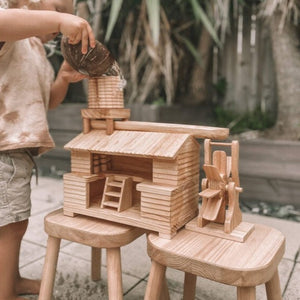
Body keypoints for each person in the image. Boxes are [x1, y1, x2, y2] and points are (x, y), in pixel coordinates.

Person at [0, 0, 95, 299]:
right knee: (11, 226)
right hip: (5, 147)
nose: (65, 17)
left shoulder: (37, 51)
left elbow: (48, 100)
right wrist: (58, 22)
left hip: (18, 151)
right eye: (59, 7)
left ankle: (10, 279)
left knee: (12, 221)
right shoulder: (10, 32)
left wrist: (64, 76)